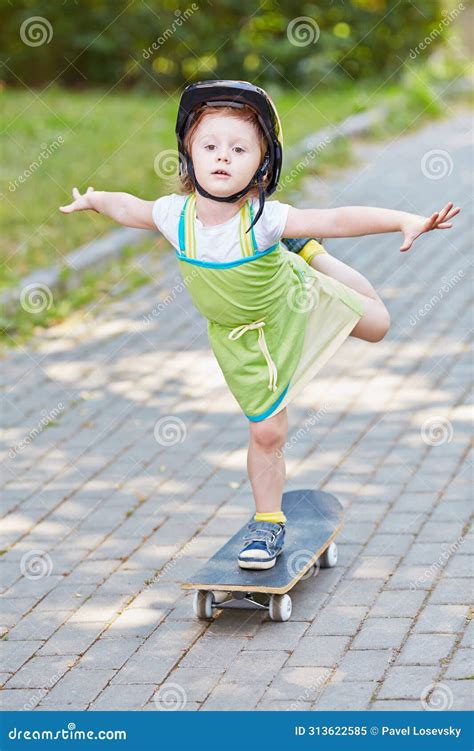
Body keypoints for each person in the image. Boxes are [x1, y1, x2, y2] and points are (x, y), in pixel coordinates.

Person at [59, 79, 460, 572]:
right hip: (241, 342)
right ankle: (268, 522)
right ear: (188, 154)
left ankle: (310, 256)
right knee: (267, 432)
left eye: (238, 148)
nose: (222, 156)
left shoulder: (263, 220)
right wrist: (95, 198)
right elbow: (130, 208)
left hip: (289, 303)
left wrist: (403, 219)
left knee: (377, 324)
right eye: (209, 145)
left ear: (262, 163)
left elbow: (337, 217)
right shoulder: (175, 216)